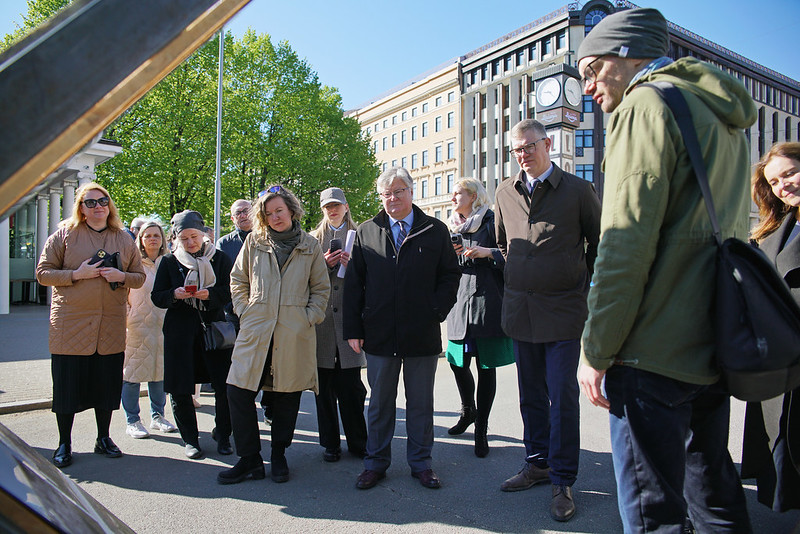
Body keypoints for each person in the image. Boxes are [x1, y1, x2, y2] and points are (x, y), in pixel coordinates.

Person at [576, 8, 756, 533]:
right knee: (714, 499)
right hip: (710, 338)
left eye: (592, 70)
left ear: (626, 55)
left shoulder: (644, 105)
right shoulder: (718, 112)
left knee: (653, 516)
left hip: (650, 350)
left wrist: (596, 350)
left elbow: (623, 246)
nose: (588, 87)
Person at [494, 119, 600, 522]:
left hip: (564, 312)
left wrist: (581, 286)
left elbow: (599, 244)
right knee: (531, 396)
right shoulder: (505, 192)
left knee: (562, 397)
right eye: (517, 149)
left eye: (529, 146)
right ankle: (537, 463)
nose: (523, 155)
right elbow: (504, 245)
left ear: (548, 144)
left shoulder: (578, 190)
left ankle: (563, 479)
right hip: (522, 312)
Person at [343, 166, 460, 490]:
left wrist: (436, 310)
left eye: (398, 191)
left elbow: (450, 275)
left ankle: (421, 464)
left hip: (421, 332)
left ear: (411, 191)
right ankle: (375, 463)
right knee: (380, 404)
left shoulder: (434, 230)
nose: (392, 198)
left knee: (420, 404)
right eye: (386, 194)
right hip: (379, 333)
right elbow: (354, 284)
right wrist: (353, 328)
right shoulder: (367, 231)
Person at [220, 185, 330, 484]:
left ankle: (279, 454)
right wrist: (245, 310)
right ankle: (250, 459)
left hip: (293, 333)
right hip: (256, 329)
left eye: (279, 210)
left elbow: (321, 289)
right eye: (268, 214)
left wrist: (308, 317)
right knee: (238, 391)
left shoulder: (309, 245)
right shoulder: (254, 241)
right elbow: (238, 279)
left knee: (286, 396)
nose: (275, 217)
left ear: (291, 210)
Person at [36, 183, 146, 468]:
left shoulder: (123, 239)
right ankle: (64, 443)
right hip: (70, 326)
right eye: (91, 202)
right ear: (81, 208)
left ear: (109, 206)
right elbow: (43, 273)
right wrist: (77, 274)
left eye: (103, 201)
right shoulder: (64, 235)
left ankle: (103, 438)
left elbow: (139, 277)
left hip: (109, 325)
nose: (98, 206)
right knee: (67, 388)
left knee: (106, 387)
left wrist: (121, 277)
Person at [741, 142, 800, 512]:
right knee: (782, 440)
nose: (783, 186)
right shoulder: (776, 227)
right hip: (779, 355)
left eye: (790, 173)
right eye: (775, 182)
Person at [151, 210, 234, 460]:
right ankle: (190, 439)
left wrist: (210, 295)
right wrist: (174, 295)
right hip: (180, 333)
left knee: (224, 386)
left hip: (214, 330)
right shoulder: (169, 261)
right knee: (180, 387)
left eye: (194, 237)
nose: (190, 243)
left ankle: (223, 435)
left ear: (203, 234)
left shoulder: (219, 258)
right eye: (184, 238)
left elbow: (231, 291)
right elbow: (157, 296)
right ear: (176, 238)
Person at [444, 177, 513, 458]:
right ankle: (468, 411)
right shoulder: (450, 226)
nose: (452, 198)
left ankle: (481, 429)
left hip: (488, 301)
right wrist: (451, 255)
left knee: (486, 367)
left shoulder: (493, 221)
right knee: (456, 362)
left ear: (473, 196)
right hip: (459, 302)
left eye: (457, 193)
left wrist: (489, 253)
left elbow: (513, 255)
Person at [310, 187, 367, 463]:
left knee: (352, 388)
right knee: (323, 389)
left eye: (336, 205)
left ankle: (358, 441)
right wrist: (322, 264)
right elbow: (303, 280)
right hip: (321, 324)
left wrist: (353, 265)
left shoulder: (362, 236)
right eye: (327, 207)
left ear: (346, 206)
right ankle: (330, 443)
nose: (332, 211)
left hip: (350, 322)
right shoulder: (312, 240)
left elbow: (370, 277)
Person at [121, 220, 178, 439]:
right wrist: (128, 318)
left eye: (156, 235)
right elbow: (122, 295)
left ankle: (158, 416)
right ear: (141, 240)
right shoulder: (132, 264)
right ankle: (133, 420)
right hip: (137, 328)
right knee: (132, 375)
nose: (153, 239)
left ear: (163, 239)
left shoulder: (170, 262)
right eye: (148, 235)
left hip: (164, 327)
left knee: (159, 374)